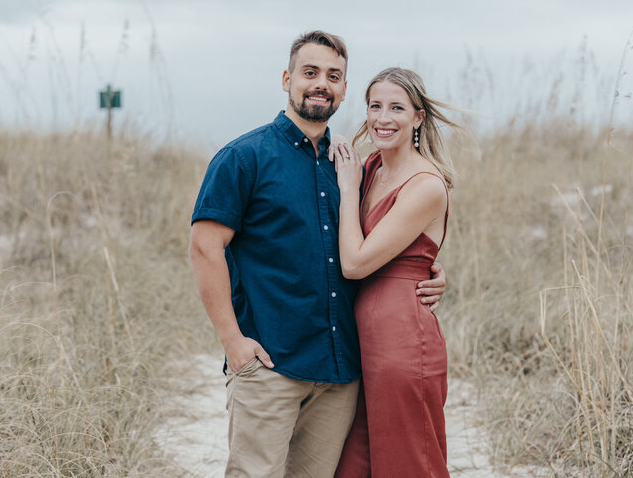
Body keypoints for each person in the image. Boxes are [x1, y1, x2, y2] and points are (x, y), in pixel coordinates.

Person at [188, 32, 446, 478]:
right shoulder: (243, 157)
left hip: (339, 369)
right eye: (310, 73)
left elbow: (388, 240)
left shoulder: (349, 164)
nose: (320, 84)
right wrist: (233, 343)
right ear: (287, 78)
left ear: (344, 90)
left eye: (333, 76)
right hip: (270, 361)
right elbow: (204, 248)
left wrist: (428, 272)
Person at [332, 67, 460, 477]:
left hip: (402, 341)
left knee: (407, 460)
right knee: (355, 462)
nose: (382, 118)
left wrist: (348, 190)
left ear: (418, 117)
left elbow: (355, 263)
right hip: (358, 336)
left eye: (396, 108)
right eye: (375, 106)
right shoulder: (368, 166)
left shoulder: (425, 184)